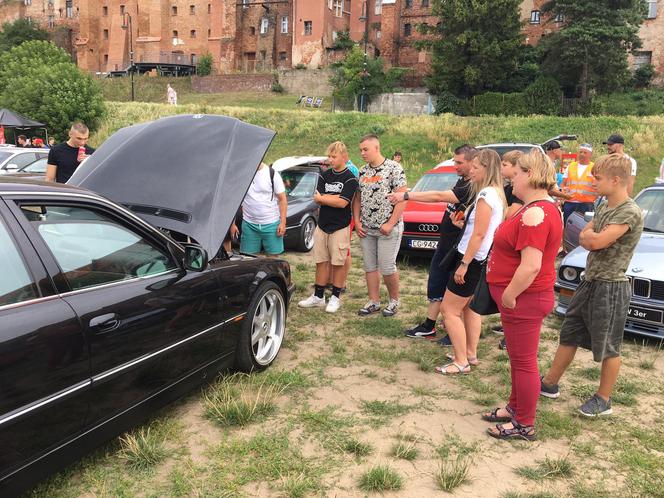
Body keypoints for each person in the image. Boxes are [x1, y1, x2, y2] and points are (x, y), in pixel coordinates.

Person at [540, 154, 643, 418]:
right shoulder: (603, 206)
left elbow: (595, 241)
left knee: (609, 344)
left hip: (611, 287)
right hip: (589, 281)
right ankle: (549, 383)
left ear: (616, 180)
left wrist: (591, 236)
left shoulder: (629, 210)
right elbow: (585, 234)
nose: (592, 182)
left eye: (597, 178)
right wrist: (591, 236)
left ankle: (603, 399)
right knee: (570, 331)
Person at [483, 151, 563, 441]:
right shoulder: (536, 208)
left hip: (524, 298)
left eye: (516, 174)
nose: (511, 179)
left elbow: (531, 266)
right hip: (522, 298)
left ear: (529, 175)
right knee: (518, 359)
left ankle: (525, 423)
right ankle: (515, 408)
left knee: (525, 361)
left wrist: (509, 295)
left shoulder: (535, 213)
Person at [388, 145, 477, 339]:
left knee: (455, 291)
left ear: (473, 162)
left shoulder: (472, 186)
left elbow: (438, 196)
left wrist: (405, 195)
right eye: (454, 161)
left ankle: (453, 331)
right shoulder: (463, 181)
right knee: (437, 284)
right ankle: (430, 325)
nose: (455, 166)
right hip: (446, 244)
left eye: (459, 162)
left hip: (457, 248)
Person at [434, 149, 505, 374]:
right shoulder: (495, 193)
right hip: (479, 259)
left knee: (449, 310)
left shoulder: (485, 196)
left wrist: (464, 264)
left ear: (487, 169)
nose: (471, 171)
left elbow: (479, 234)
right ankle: (469, 353)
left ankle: (461, 361)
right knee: (469, 309)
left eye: (475, 167)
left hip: (472, 260)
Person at [299, 141, 359, 313]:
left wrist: (324, 199)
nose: (331, 160)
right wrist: (328, 198)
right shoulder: (324, 175)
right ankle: (318, 296)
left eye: (334, 156)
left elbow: (342, 203)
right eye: (330, 156)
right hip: (322, 226)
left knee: (338, 263)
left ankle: (335, 298)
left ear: (344, 157)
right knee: (321, 261)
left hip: (340, 227)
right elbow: (317, 196)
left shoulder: (350, 178)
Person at [353, 134, 408, 317]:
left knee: (386, 266)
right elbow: (358, 198)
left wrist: (391, 223)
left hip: (388, 229)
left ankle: (394, 301)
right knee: (370, 266)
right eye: (360, 150)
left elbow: (402, 197)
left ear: (377, 148)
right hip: (367, 228)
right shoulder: (362, 171)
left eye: (365, 149)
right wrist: (357, 221)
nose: (362, 153)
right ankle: (374, 301)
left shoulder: (393, 168)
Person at [233, 163, 287, 256]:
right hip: (249, 225)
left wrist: (283, 223)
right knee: (248, 260)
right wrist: (232, 224)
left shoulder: (272, 174)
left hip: (271, 225)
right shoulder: (242, 174)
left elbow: (282, 199)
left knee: (272, 261)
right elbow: (234, 200)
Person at [561, 143, 597, 224]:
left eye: (585, 152)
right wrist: (562, 196)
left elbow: (599, 185)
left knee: (584, 227)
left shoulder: (594, 168)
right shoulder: (571, 166)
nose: (582, 154)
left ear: (590, 154)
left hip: (586, 204)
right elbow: (563, 184)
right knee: (567, 226)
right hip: (570, 203)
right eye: (580, 152)